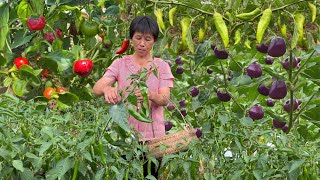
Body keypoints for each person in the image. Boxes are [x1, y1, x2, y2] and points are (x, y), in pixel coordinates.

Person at [92, 15, 174, 178]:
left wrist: (150, 95)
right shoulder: (120, 63)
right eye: (138, 38)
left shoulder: (161, 66)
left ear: (154, 41)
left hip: (154, 140)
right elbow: (97, 88)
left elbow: (164, 99)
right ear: (131, 38)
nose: (142, 43)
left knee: (149, 175)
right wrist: (108, 89)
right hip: (125, 138)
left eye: (147, 39)